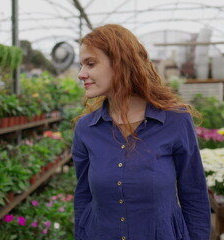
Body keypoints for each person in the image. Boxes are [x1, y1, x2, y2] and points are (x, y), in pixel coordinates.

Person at [72, 24, 211, 240]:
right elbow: (83, 196)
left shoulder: (176, 122)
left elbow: (194, 196)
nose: (81, 74)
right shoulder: (86, 129)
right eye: (81, 65)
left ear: (120, 63)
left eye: (90, 64)